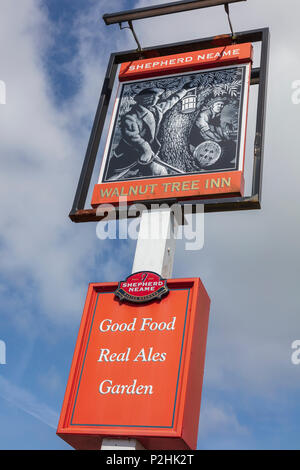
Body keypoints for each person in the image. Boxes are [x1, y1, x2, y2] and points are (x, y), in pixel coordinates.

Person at [106, 84, 191, 180]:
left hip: (149, 154)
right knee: (112, 178)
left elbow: (170, 101)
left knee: (161, 173)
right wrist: (146, 149)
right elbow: (133, 136)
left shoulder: (156, 110)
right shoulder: (131, 117)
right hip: (128, 155)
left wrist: (184, 90)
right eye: (157, 97)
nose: (158, 99)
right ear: (148, 99)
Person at [189, 96, 237, 170]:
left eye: (222, 105)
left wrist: (224, 137)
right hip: (197, 136)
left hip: (209, 136)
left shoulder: (216, 115)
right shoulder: (204, 114)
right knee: (219, 147)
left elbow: (217, 129)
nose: (220, 106)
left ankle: (223, 163)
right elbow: (205, 129)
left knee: (231, 144)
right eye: (218, 104)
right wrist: (216, 139)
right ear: (212, 105)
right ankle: (208, 164)